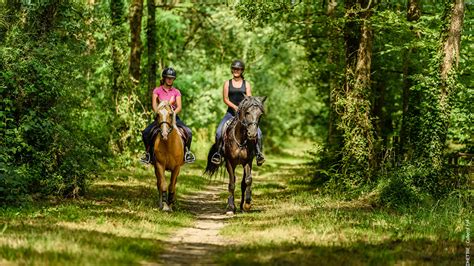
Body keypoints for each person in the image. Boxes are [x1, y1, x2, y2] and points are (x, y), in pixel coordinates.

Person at [211, 60, 265, 166]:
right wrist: (235, 107)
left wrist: (242, 109)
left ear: (242, 71)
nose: (236, 71)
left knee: (258, 133)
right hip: (230, 113)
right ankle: (218, 154)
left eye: (238, 69)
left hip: (245, 115)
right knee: (218, 132)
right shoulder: (227, 83)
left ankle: (258, 154)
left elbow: (249, 100)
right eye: (234, 69)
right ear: (232, 70)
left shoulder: (246, 84)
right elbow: (225, 99)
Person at [141, 67, 195, 164]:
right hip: (161, 117)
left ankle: (187, 153)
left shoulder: (176, 92)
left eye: (172, 78)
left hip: (173, 117)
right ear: (164, 78)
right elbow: (154, 105)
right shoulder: (157, 90)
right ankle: (148, 154)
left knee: (189, 132)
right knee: (146, 133)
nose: (170, 80)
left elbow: (179, 107)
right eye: (168, 78)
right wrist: (159, 112)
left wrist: (172, 113)